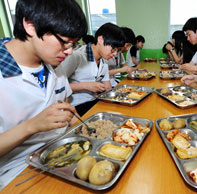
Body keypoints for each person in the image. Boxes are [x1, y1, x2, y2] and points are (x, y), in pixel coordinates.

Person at [0, 0, 87, 189]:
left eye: (74, 44)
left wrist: (90, 132)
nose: (70, 51)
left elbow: (67, 108)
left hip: (62, 153)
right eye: (65, 42)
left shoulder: (52, 64)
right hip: (18, 172)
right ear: (30, 26)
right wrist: (32, 126)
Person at [61, 23, 125, 116]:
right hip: (77, 106)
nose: (115, 54)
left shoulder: (104, 60)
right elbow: (58, 87)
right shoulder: (76, 56)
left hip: (95, 101)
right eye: (113, 49)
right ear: (100, 39)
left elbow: (108, 87)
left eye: (117, 50)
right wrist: (85, 86)